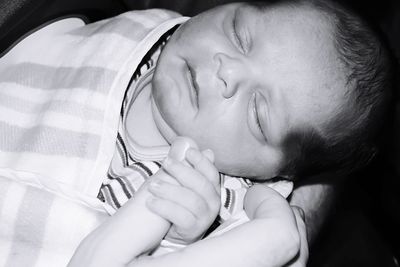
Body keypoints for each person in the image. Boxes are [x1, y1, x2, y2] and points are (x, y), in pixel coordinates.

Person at [0, 0, 393, 266]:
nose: (227, 70)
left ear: (273, 174)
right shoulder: (143, 30)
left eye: (257, 111)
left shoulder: (224, 209)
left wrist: (182, 238)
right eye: (239, 35)